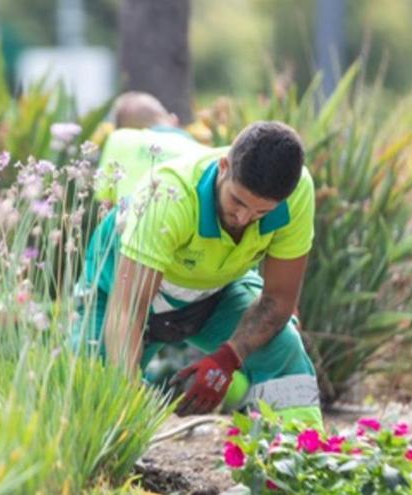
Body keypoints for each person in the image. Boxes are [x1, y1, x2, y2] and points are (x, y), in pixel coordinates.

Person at [77, 121, 321, 425]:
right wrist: (126, 392)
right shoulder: (168, 196)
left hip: (216, 291)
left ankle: (297, 457)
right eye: (238, 202)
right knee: (90, 402)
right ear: (223, 167)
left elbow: (278, 300)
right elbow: (127, 311)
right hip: (119, 294)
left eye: (262, 213)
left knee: (283, 349)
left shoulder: (297, 194)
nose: (244, 218)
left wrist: (227, 359)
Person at [94, 92, 210, 203]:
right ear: (174, 119)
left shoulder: (120, 138)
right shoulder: (206, 155)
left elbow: (105, 202)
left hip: (130, 222)